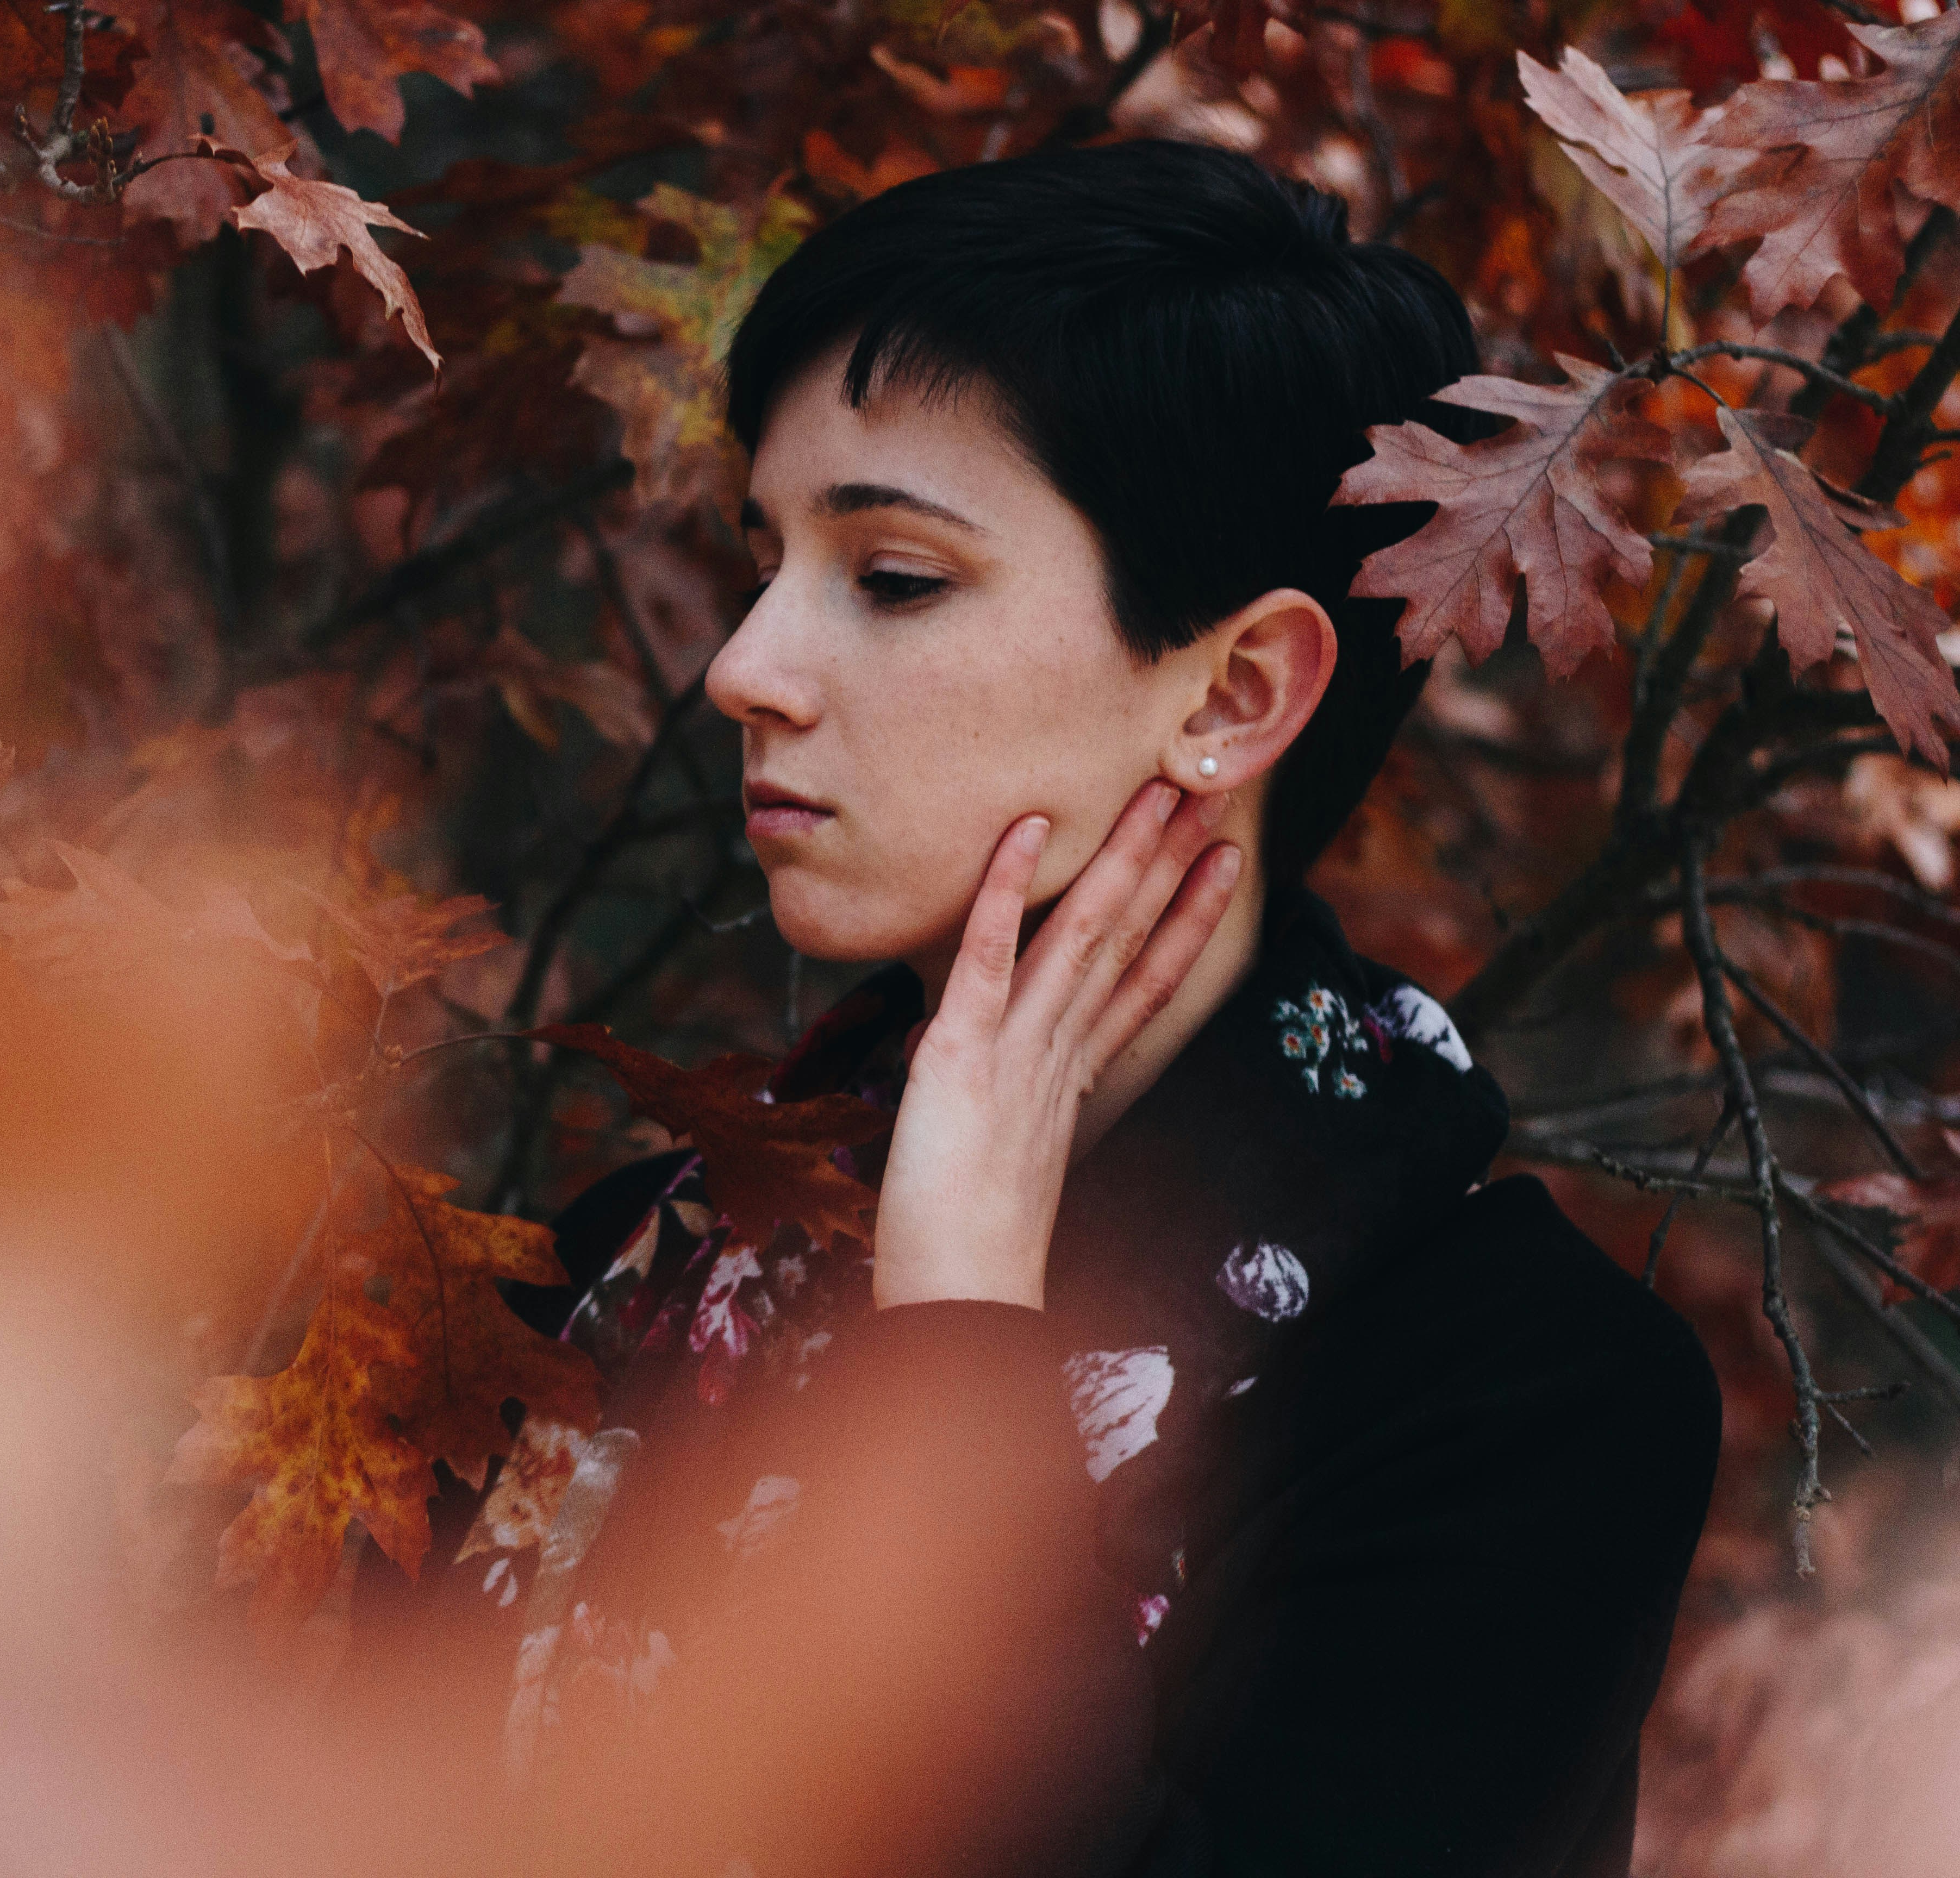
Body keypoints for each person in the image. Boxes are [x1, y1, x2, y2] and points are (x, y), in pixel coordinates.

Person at [353, 139, 1721, 1878]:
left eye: (894, 577)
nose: (744, 668)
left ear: (1233, 693)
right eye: (763, 560)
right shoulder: (614, 1272)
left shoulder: (1513, 1400)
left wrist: (961, 1349)